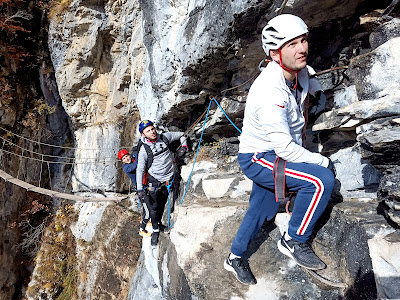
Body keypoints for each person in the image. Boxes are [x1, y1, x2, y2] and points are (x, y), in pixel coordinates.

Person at [224, 14, 335, 285]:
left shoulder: (299, 70)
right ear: (275, 54)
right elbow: (284, 148)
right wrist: (322, 162)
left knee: (262, 207)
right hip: (259, 158)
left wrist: (318, 92)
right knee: (321, 181)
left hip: (276, 154)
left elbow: (309, 74)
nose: (303, 48)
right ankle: (294, 240)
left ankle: (234, 258)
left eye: (303, 40)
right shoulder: (269, 92)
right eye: (292, 44)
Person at [136, 120, 188, 246]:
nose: (152, 131)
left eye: (152, 128)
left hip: (168, 179)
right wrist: (140, 189)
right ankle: (155, 231)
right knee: (153, 209)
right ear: (143, 134)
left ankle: (158, 225)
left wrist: (184, 147)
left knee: (162, 204)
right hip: (155, 181)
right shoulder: (144, 150)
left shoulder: (164, 137)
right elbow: (140, 169)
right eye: (148, 130)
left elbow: (183, 134)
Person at [118, 149, 152, 238]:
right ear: (122, 161)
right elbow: (136, 165)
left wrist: (135, 154)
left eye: (127, 156)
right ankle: (142, 229)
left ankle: (146, 221)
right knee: (147, 210)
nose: (126, 159)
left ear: (129, 155)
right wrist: (137, 155)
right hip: (140, 189)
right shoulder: (126, 167)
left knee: (147, 207)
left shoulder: (132, 159)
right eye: (124, 158)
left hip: (145, 185)